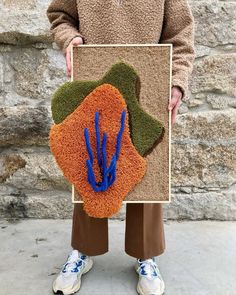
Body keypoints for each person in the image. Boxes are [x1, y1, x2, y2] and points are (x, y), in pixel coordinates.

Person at [47, 1, 195, 294]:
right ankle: (83, 250)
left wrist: (177, 80)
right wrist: (69, 38)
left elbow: (181, 33)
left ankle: (145, 253)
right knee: (89, 159)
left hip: (149, 76)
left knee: (147, 167)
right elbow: (59, 15)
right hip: (93, 72)